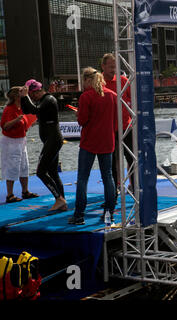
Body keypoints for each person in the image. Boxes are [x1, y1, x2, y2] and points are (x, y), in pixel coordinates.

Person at [68, 67, 118, 225]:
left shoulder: (86, 97)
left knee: (82, 178)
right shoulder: (112, 95)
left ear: (88, 80)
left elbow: (82, 121)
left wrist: (78, 114)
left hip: (89, 141)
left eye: (83, 81)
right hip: (107, 140)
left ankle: (79, 215)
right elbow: (116, 121)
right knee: (108, 177)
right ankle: (109, 214)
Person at [20, 79, 66, 211]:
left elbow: (34, 110)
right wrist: (24, 97)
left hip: (53, 139)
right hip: (50, 140)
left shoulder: (49, 99)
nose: (32, 97)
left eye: (32, 94)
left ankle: (59, 199)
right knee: (52, 172)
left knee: (41, 172)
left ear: (37, 91)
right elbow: (26, 110)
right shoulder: (40, 100)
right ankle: (62, 201)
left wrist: (25, 96)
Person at [101, 53, 135, 198]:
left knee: (132, 158)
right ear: (103, 66)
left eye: (115, 66)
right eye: (110, 66)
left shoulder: (123, 80)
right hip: (108, 129)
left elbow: (134, 101)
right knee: (111, 161)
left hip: (127, 127)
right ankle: (114, 189)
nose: (113, 69)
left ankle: (134, 187)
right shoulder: (99, 83)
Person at [0, 87, 39, 203]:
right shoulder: (9, 109)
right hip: (11, 142)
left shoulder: (21, 108)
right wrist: (16, 120)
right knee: (12, 166)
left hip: (21, 140)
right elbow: (5, 126)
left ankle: (25, 191)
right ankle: (10, 194)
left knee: (24, 166)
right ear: (17, 96)